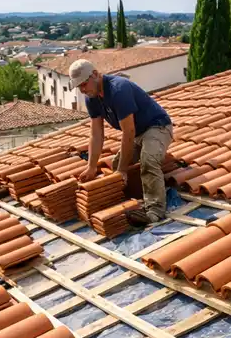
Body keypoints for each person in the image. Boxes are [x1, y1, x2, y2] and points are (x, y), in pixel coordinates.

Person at [70, 59, 174, 227]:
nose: (82, 90)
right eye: (79, 86)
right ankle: (135, 195)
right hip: (137, 134)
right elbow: (96, 134)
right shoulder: (92, 98)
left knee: (147, 161)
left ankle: (155, 211)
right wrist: (91, 166)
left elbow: (128, 131)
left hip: (157, 127)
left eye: (84, 84)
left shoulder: (119, 89)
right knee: (116, 164)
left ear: (95, 75)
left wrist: (123, 171)